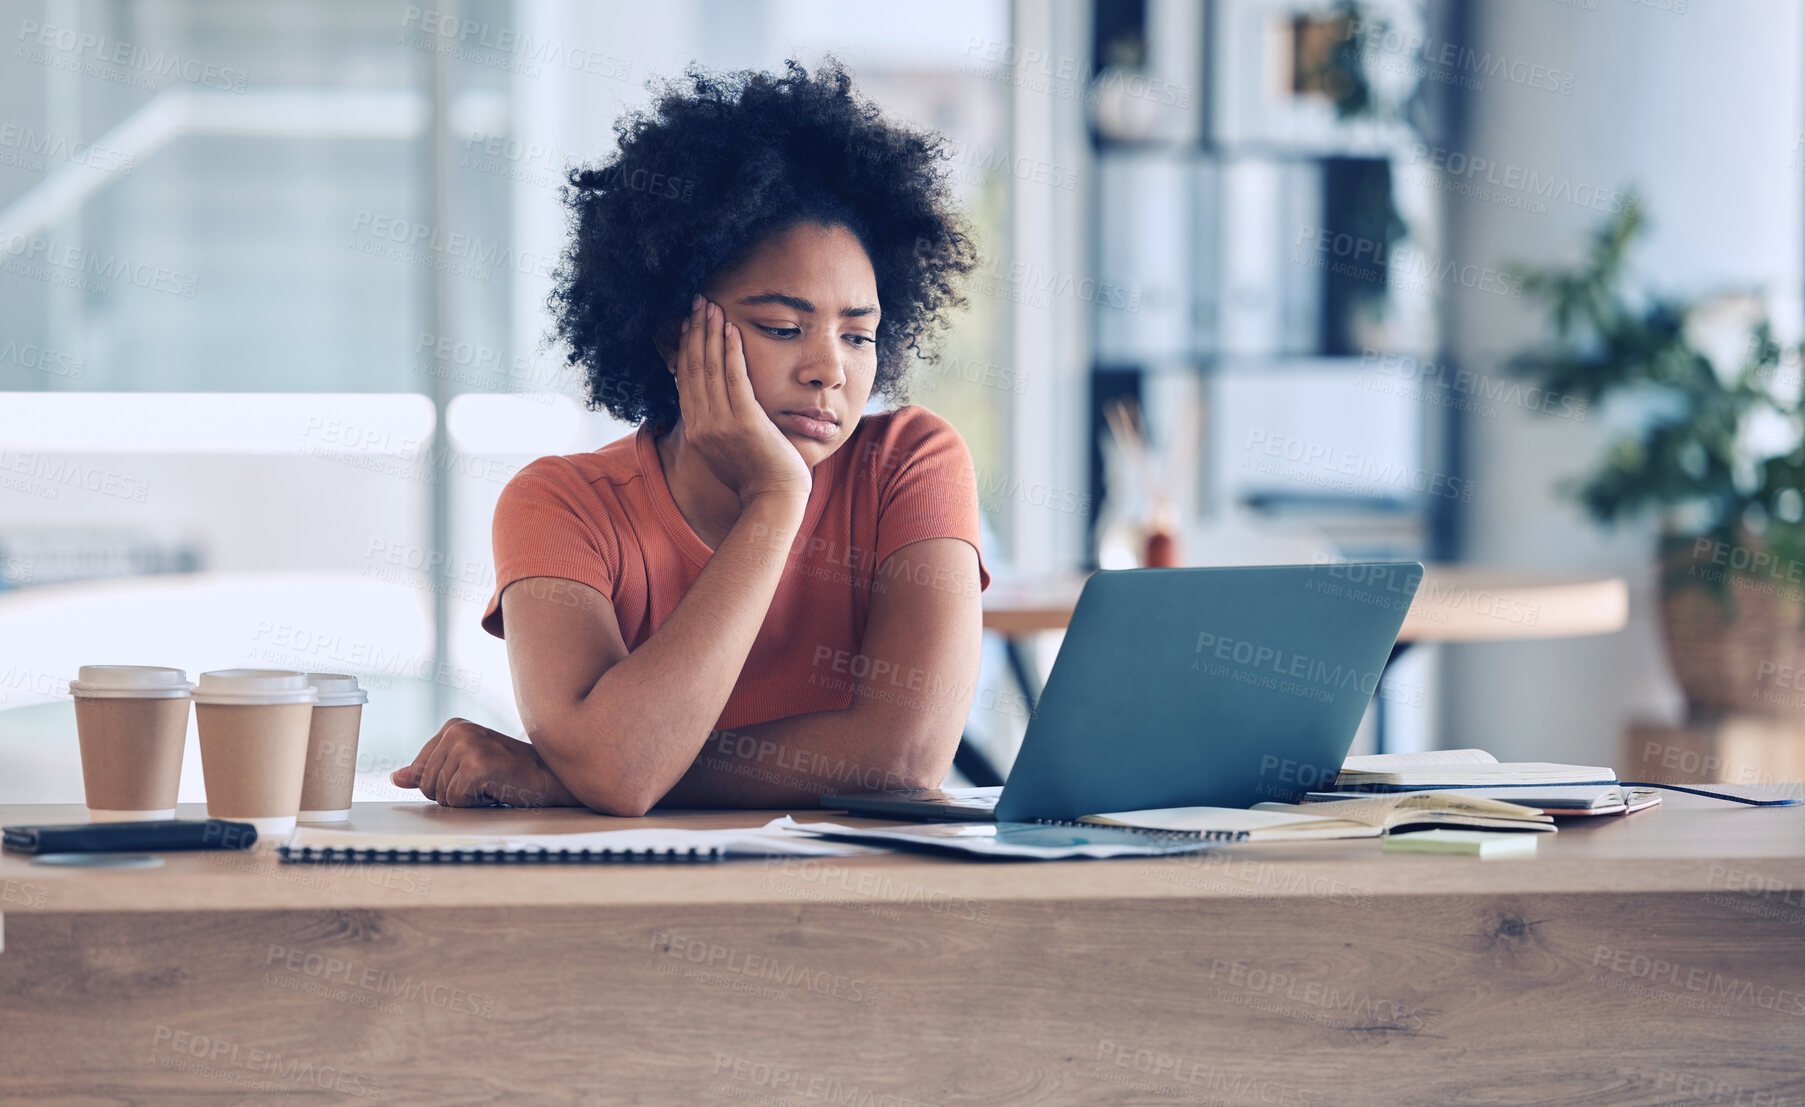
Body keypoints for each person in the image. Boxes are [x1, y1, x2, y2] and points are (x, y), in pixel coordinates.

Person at [391, 57, 990, 814]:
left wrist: (574, 770)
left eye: (859, 337)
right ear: (676, 333)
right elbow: (618, 769)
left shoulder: (910, 461)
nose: (827, 370)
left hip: (863, 920)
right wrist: (776, 498)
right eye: (782, 327)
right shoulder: (561, 504)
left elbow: (904, 757)